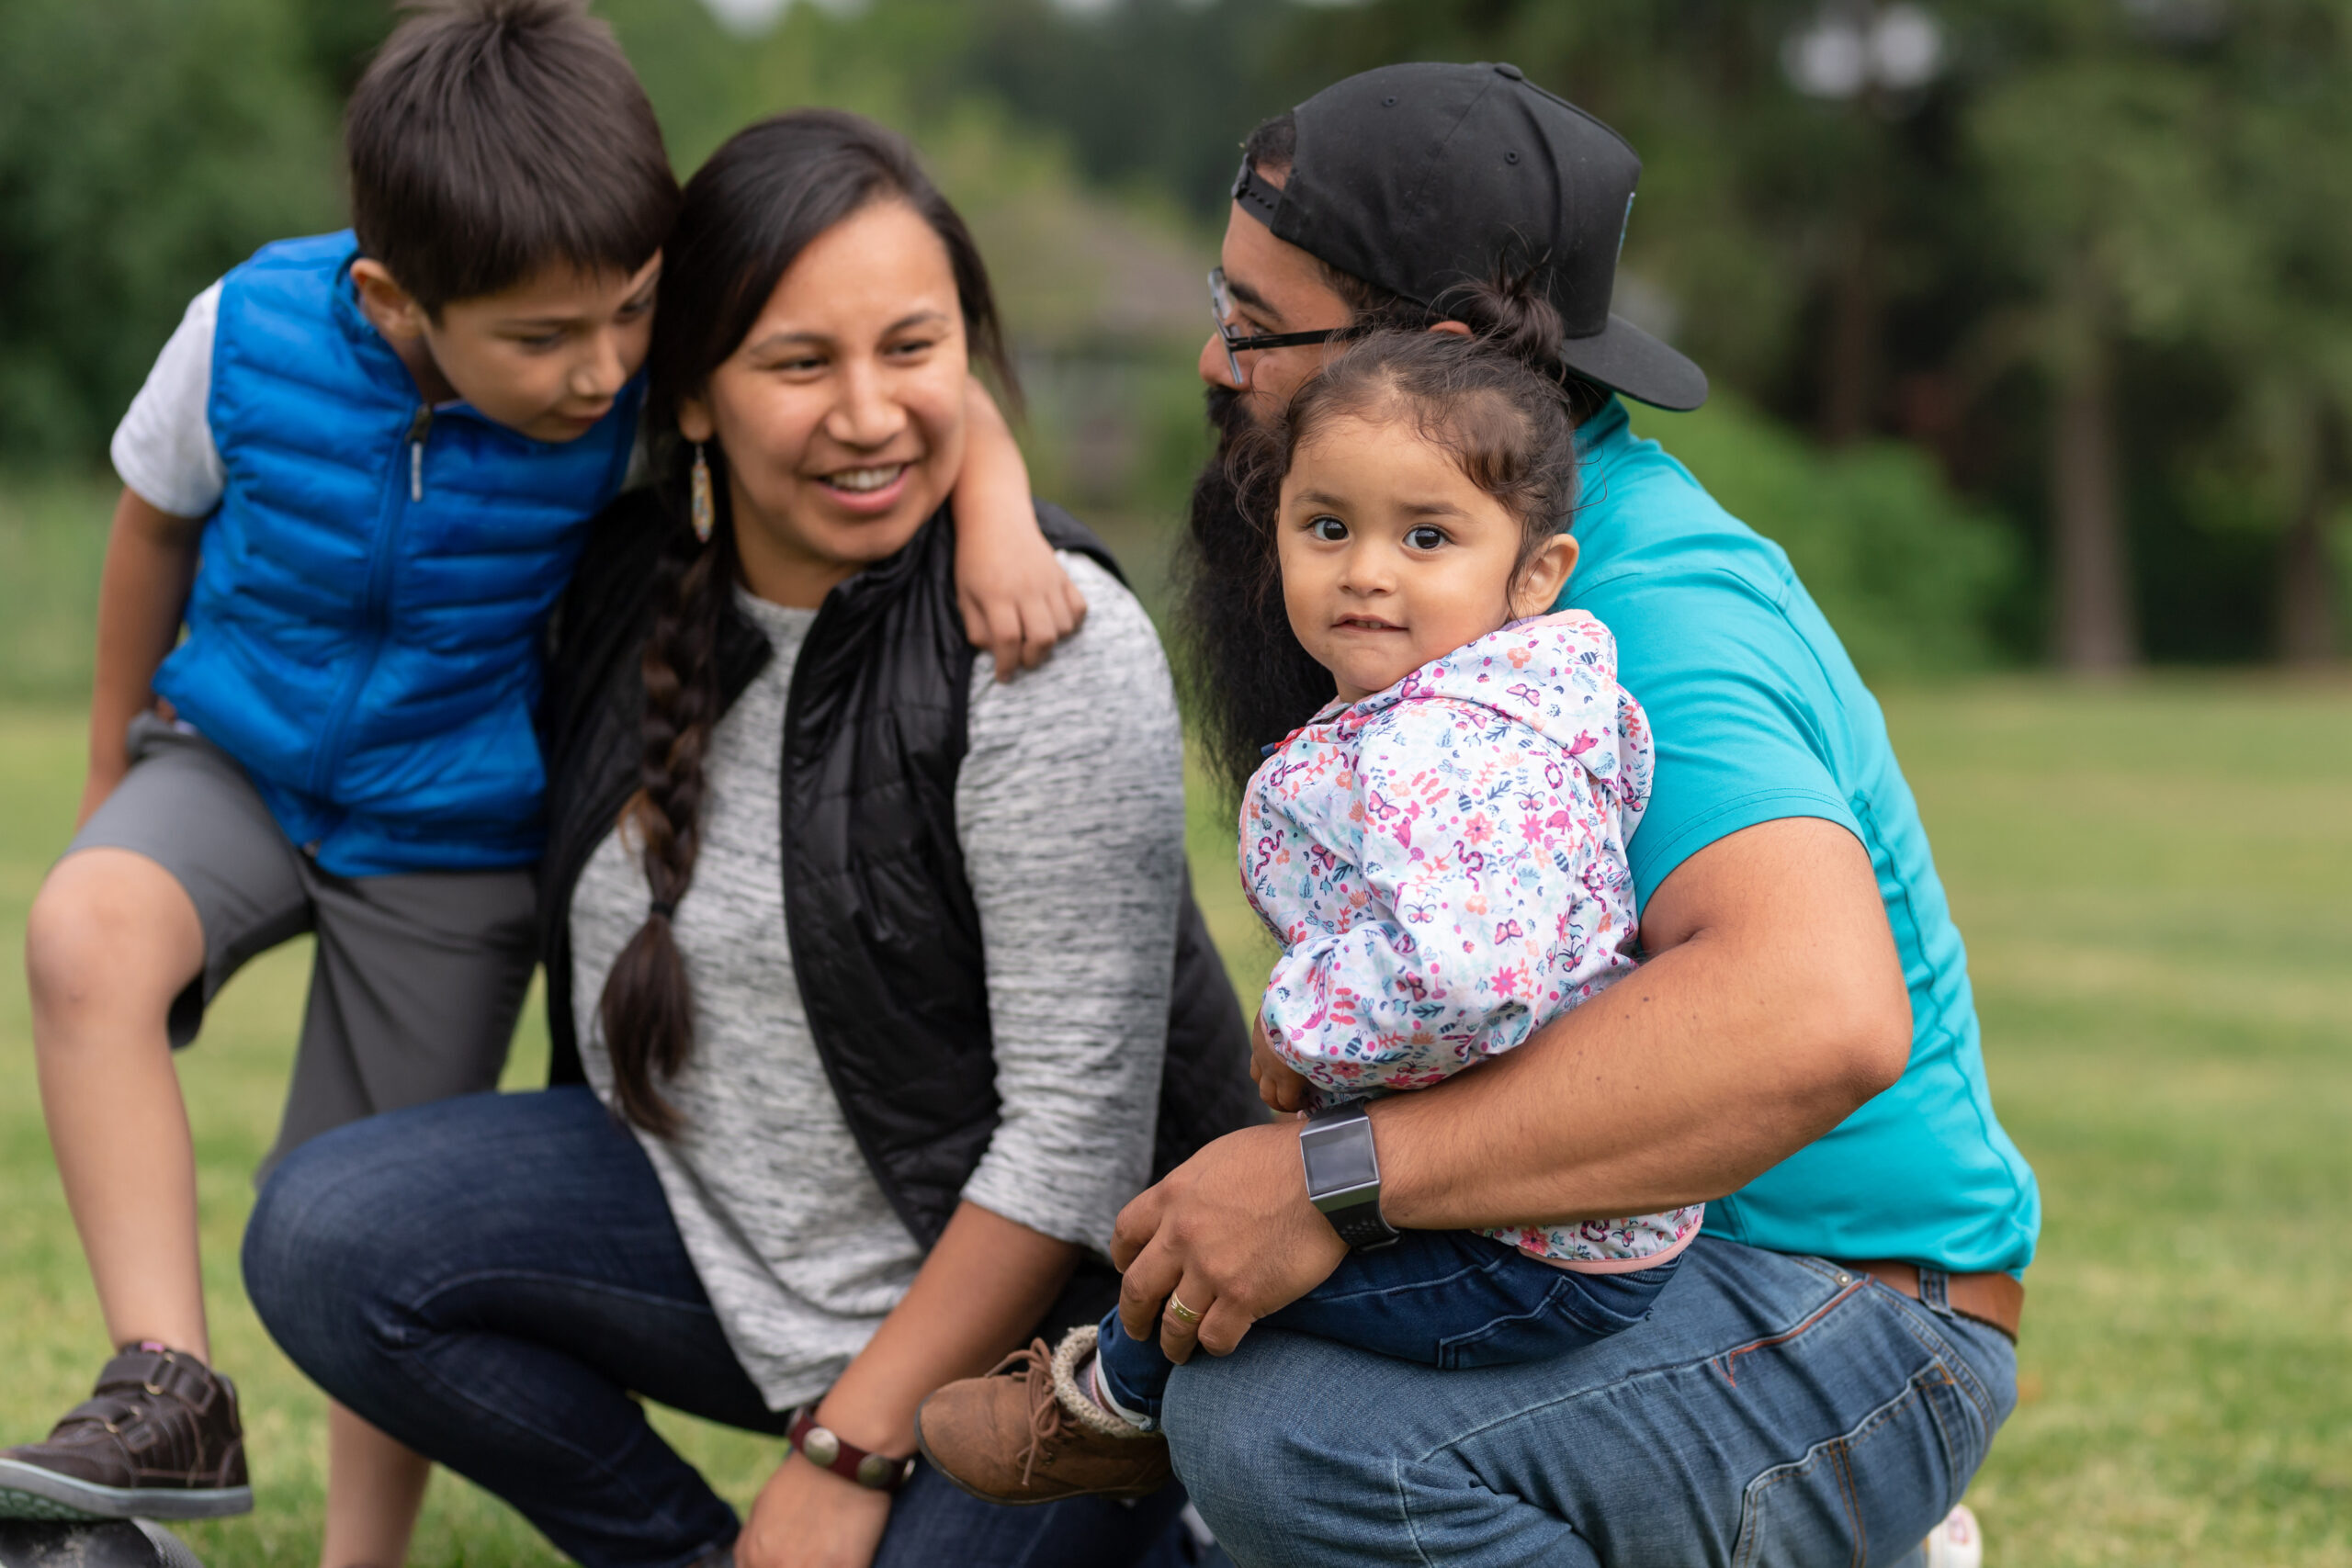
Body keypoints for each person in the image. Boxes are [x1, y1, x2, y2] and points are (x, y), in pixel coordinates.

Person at [2, 0, 1080, 1546]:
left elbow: (902, 362)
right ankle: (165, 1389)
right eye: (543, 338)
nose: (601, 370)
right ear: (395, 296)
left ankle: (359, 1554)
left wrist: (1000, 517)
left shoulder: (636, 376)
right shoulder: (241, 335)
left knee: (352, 1204)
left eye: (633, 312)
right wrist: (117, 769)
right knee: (83, 931)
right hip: (235, 756)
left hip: (449, 831)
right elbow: (151, 526)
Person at [240, 109, 1259, 1568]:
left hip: (1047, 1338)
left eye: (912, 351)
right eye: (798, 362)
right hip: (723, 1244)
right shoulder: (610, 577)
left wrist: (847, 1457)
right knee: (326, 1234)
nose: (864, 413)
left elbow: (1073, 1158)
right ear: (695, 391)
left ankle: (1181, 1530)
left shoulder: (1044, 643)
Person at [1066, 63, 2040, 1567]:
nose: (1213, 358)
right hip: (1618, 1256)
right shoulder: (1442, 577)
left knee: (1280, 1437)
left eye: (1260, 329)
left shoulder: (1649, 605)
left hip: (1854, 1312)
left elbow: (1819, 1016)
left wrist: (1334, 1178)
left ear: (1436, 352)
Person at [918, 314, 1707, 1501]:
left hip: (1527, 1244)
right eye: (1327, 527)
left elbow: (1469, 979)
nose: (1367, 570)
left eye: (1427, 536)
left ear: (1533, 573)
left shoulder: (1451, 745)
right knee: (1227, 1211)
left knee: (1213, 1261)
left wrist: (1303, 1021)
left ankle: (1111, 1404)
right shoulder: (1488, 708)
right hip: (1546, 1197)